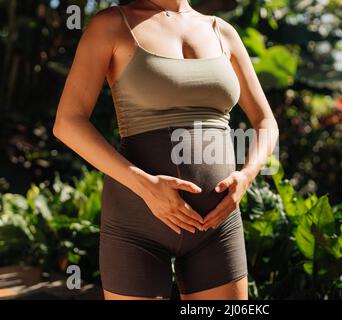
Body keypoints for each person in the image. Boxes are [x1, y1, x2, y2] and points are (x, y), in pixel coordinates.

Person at [53, 0, 278, 300]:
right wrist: (144, 186)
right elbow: (68, 122)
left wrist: (247, 176)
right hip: (136, 226)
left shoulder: (222, 31)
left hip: (216, 226)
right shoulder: (112, 24)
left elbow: (266, 121)